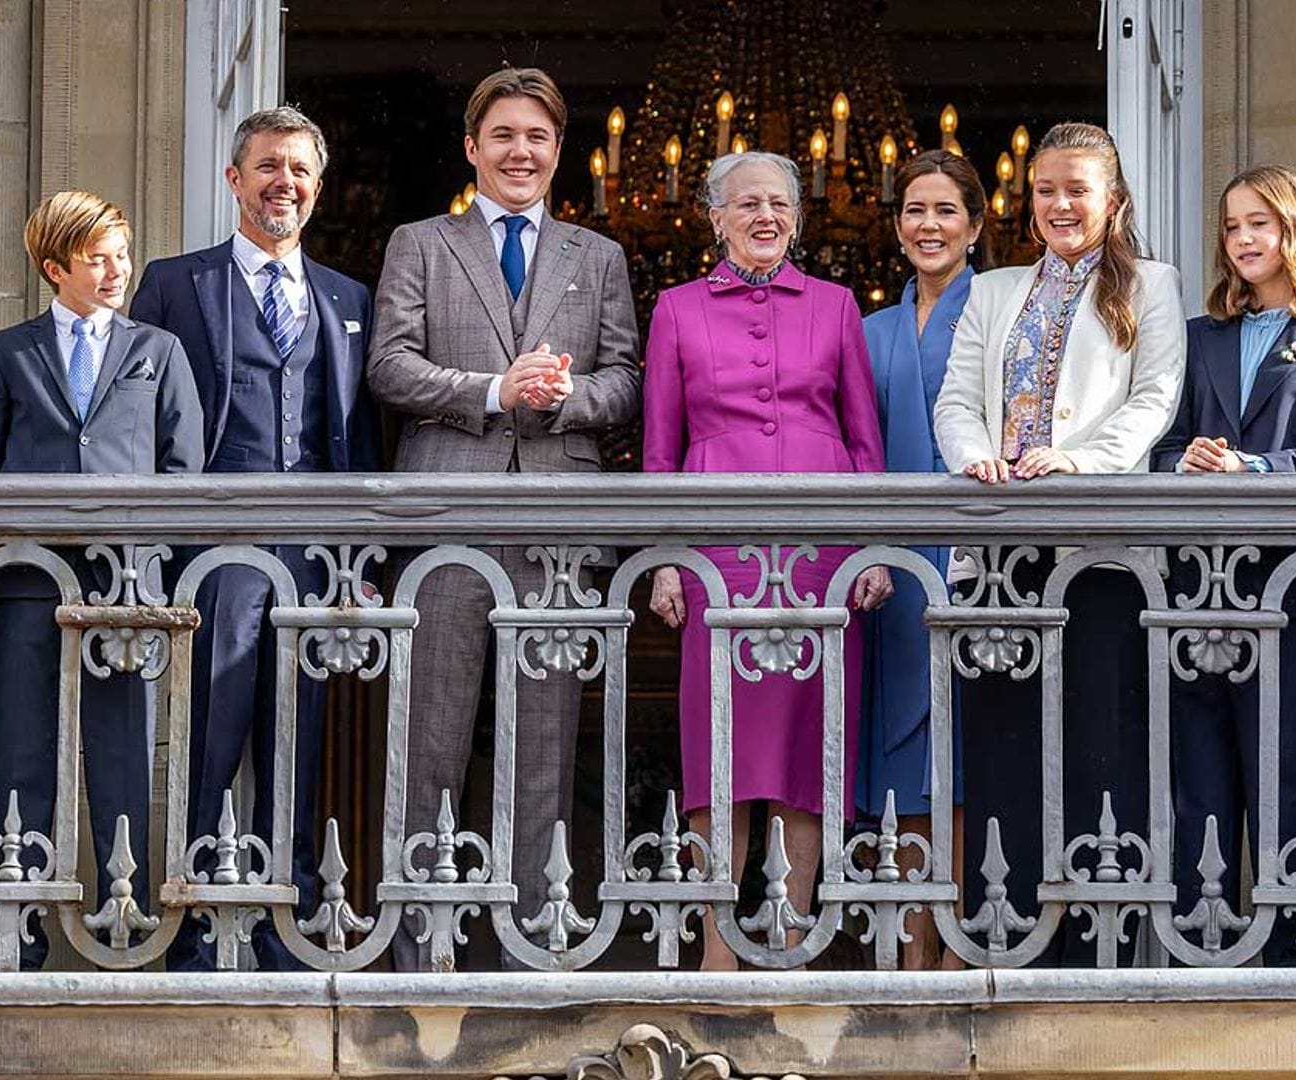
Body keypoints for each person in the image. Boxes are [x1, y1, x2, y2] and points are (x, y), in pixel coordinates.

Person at [367, 66, 643, 970]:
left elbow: (626, 380)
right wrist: (494, 387)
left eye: (538, 138)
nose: (520, 152)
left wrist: (563, 397)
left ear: (558, 153)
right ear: (472, 148)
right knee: (431, 735)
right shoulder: (421, 243)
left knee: (544, 743)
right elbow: (390, 367)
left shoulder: (596, 257)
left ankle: (535, 940)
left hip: (556, 528)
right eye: (504, 136)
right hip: (448, 511)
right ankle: (420, 943)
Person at [130, 105, 380, 971]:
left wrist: (363, 559)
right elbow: (143, 414)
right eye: (269, 165)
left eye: (301, 170)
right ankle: (192, 930)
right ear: (234, 179)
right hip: (213, 549)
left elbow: (360, 437)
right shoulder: (173, 283)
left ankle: (289, 924)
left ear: (317, 188)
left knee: (297, 743)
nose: (286, 182)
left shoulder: (349, 299)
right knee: (211, 733)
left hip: (315, 554)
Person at [932, 121, 1185, 963]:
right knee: (1004, 744)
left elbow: (1154, 403)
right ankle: (1003, 936)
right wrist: (978, 460)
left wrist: (1076, 462)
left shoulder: (1152, 284)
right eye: (1046, 190)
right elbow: (956, 398)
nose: (1060, 204)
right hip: (1002, 545)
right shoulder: (993, 288)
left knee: (1096, 741)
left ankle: (1094, 944)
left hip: (1099, 549)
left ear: (1113, 199)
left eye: (1077, 189)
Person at [643, 150, 892, 971]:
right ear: (715, 218)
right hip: (718, 550)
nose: (765, 217)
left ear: (797, 217)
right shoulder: (677, 310)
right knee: (719, 753)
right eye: (746, 204)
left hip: (822, 551)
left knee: (810, 749)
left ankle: (793, 934)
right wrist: (667, 561)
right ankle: (717, 942)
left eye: (779, 204)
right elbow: (661, 450)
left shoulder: (837, 306)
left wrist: (873, 550)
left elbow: (863, 441)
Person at [0, 190, 204, 968]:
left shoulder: (156, 351)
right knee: (23, 756)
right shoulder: (8, 352)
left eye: (121, 255)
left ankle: (124, 932)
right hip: (30, 582)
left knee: (123, 751)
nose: (115, 270)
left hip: (124, 586)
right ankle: (15, 941)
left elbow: (183, 470)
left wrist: (151, 566)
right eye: (97, 257)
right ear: (55, 265)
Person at [1151, 164, 1296, 964]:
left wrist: (1251, 468)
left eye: (1260, 224)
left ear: (1294, 231)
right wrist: (1186, 461)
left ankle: (1284, 961)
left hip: (1289, 592)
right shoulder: (1197, 335)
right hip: (1193, 590)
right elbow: (1166, 442)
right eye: (1232, 226)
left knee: (1286, 780)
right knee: (1198, 786)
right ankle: (1192, 954)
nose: (1243, 240)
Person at [857, 149, 985, 969]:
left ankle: (963, 946)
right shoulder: (864, 327)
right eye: (914, 210)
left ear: (976, 225)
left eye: (945, 211)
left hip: (974, 556)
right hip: (886, 568)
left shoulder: (1000, 311)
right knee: (902, 758)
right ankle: (911, 951)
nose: (928, 226)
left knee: (967, 755)